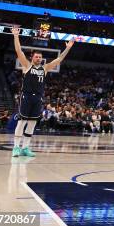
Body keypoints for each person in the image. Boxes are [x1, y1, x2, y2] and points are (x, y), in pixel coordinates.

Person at [11, 27, 74, 157]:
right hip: (26, 96)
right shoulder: (27, 66)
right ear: (32, 57)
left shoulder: (45, 68)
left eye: (40, 57)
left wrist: (68, 48)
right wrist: (16, 36)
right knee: (22, 122)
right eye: (36, 56)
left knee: (32, 123)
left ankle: (25, 148)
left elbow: (59, 59)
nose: (38, 58)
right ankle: (16, 147)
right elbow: (18, 51)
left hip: (38, 98)